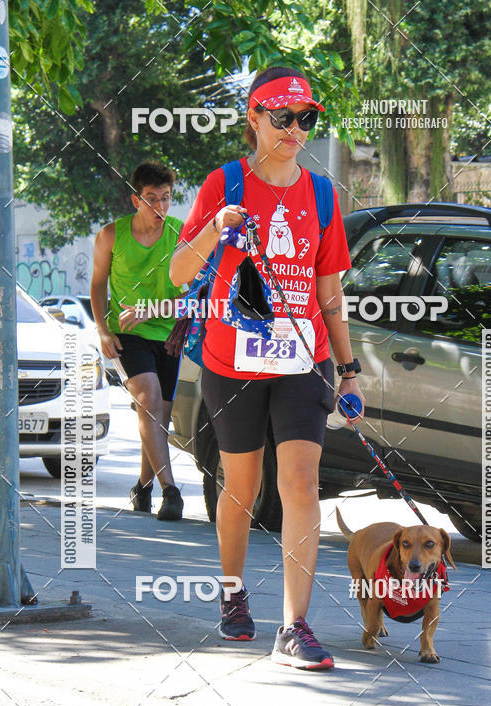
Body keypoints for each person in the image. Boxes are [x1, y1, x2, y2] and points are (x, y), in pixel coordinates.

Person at [170, 67, 365, 670]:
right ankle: (232, 593)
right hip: (233, 361)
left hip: (303, 358)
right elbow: (178, 272)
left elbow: (329, 293)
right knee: (243, 487)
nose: (295, 129)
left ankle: (295, 625)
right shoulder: (223, 183)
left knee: (301, 483)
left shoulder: (323, 194)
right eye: (282, 117)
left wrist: (349, 368)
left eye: (305, 118)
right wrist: (217, 227)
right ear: (254, 118)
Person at [91, 161, 185, 520]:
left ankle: (142, 487)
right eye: (151, 199)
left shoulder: (182, 234)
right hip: (127, 333)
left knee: (161, 412)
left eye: (165, 198)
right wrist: (103, 330)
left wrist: (152, 308)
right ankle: (171, 491)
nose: (159, 207)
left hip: (171, 333)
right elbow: (98, 284)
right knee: (148, 398)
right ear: (135, 200)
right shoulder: (111, 236)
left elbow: (197, 294)